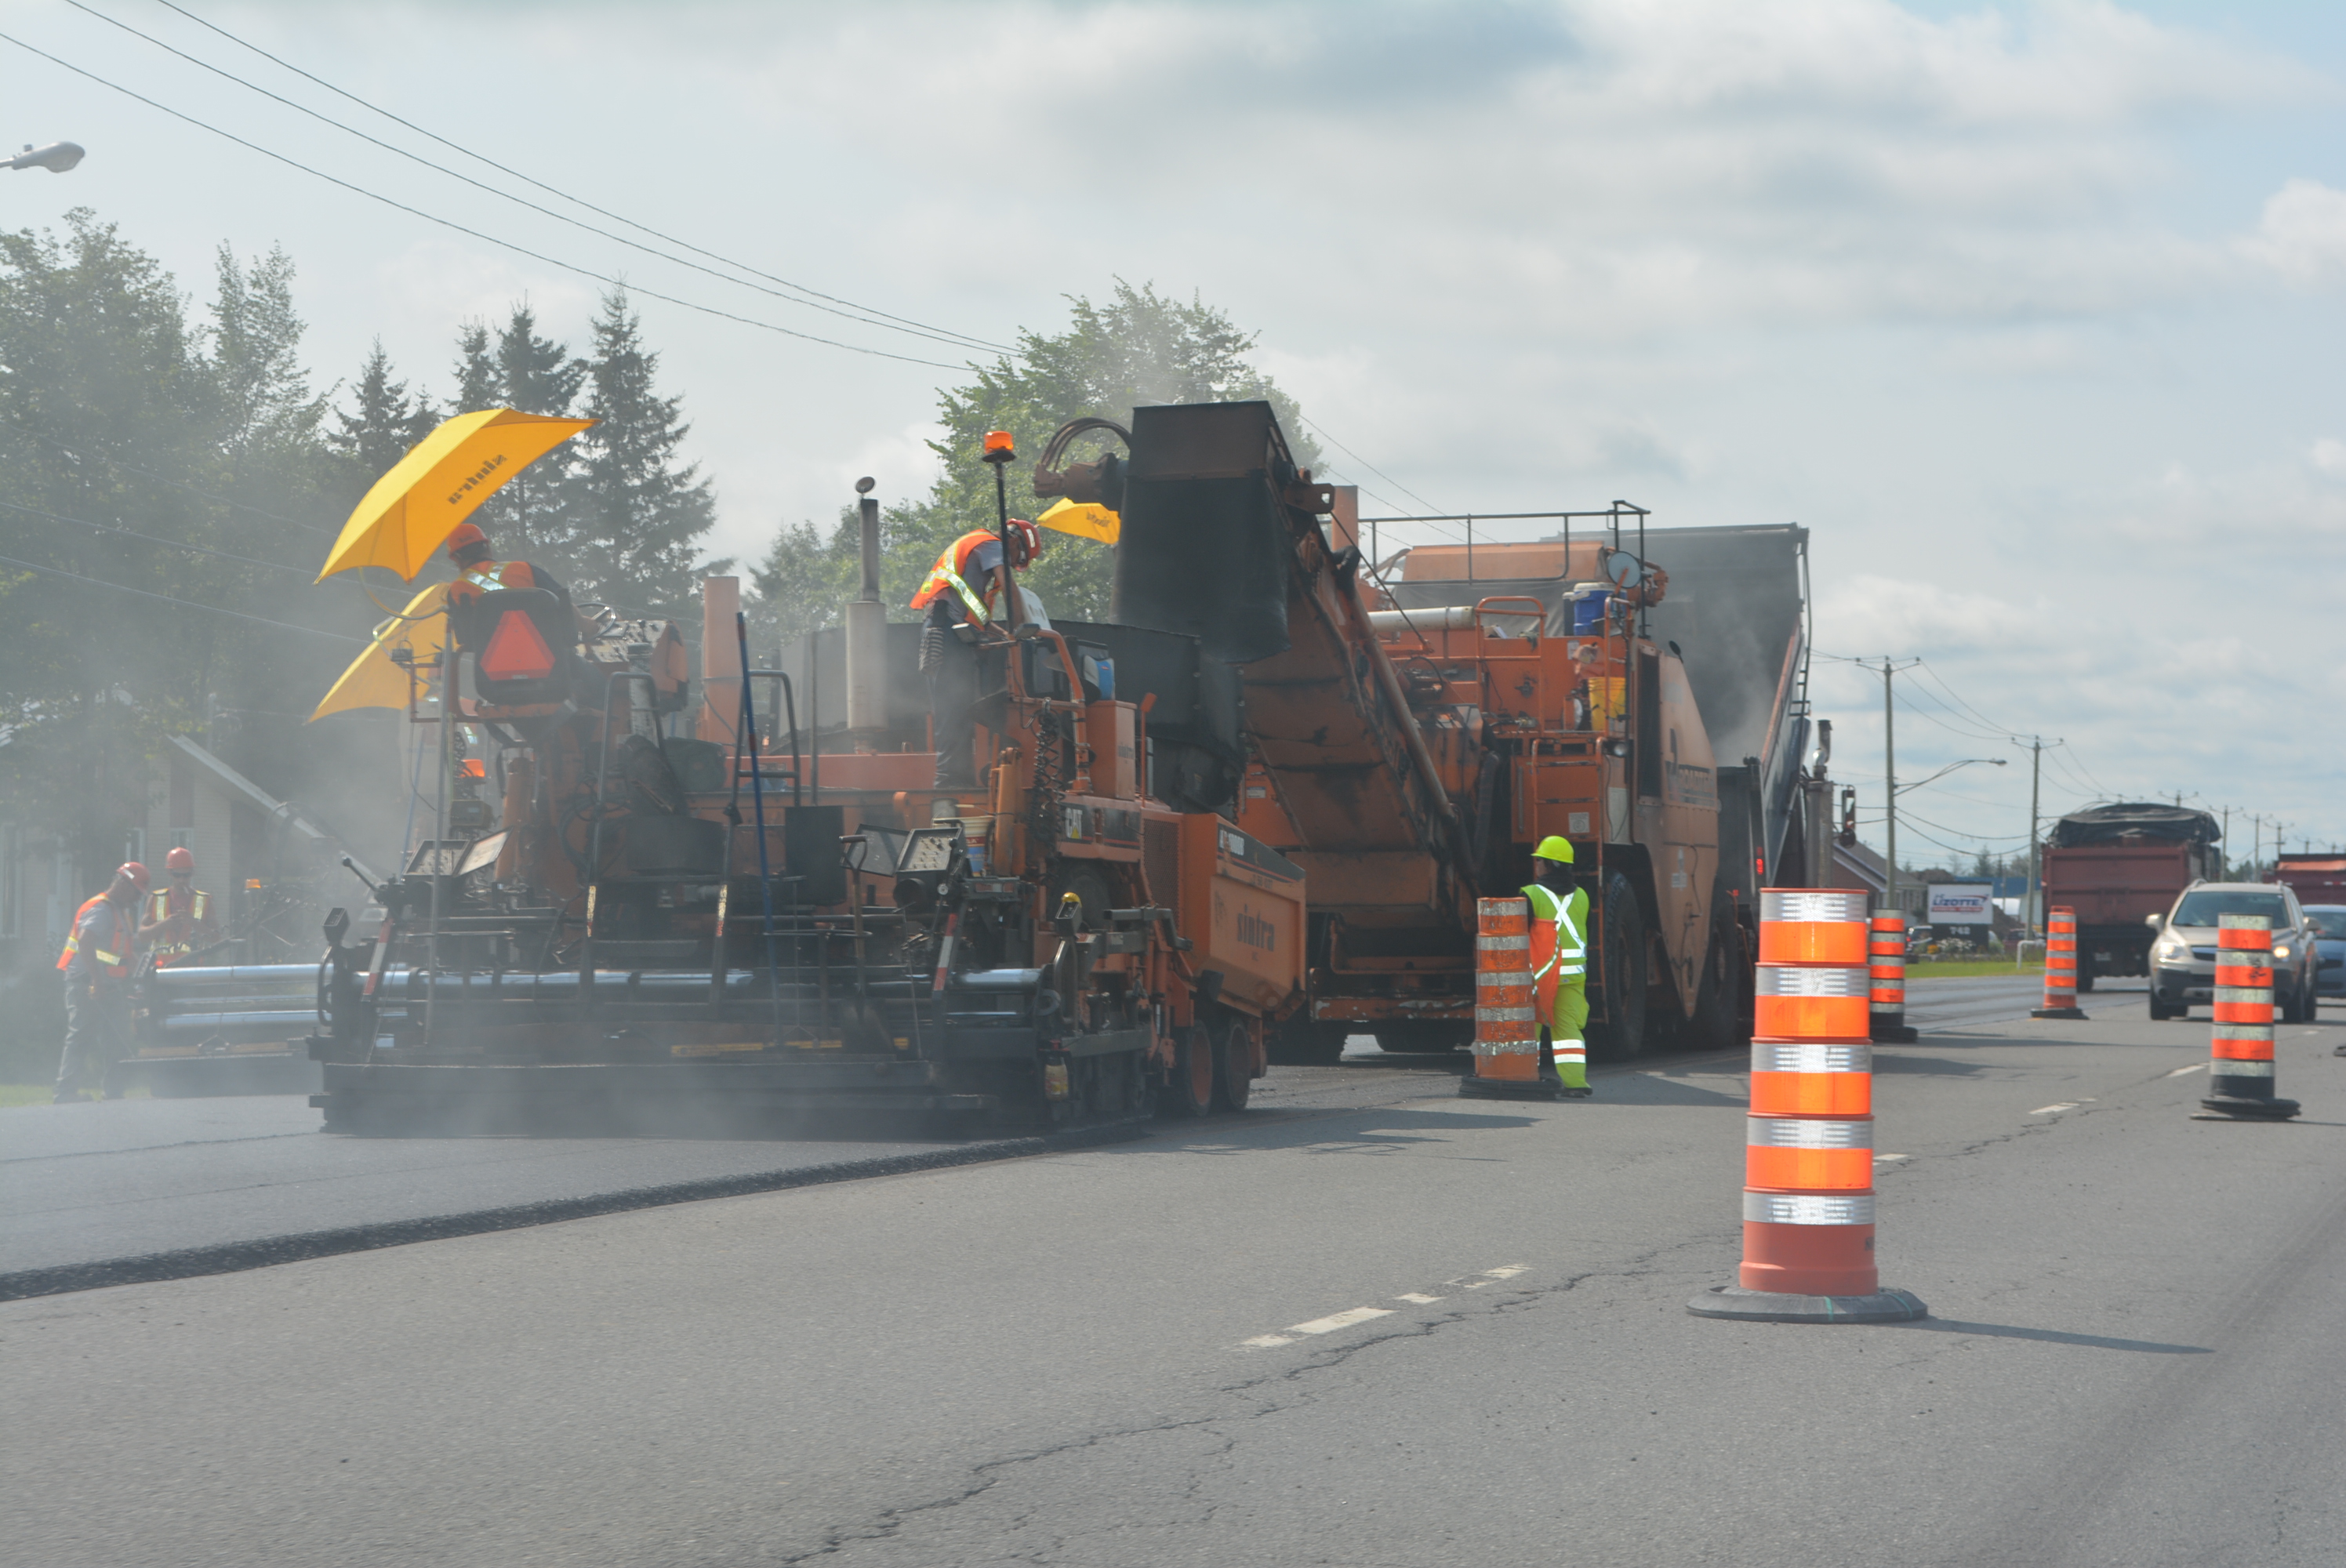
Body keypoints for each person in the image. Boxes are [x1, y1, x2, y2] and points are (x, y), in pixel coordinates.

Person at [910, 520, 1046, 789]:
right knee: (952, 710)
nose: (1011, 563)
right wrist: (1017, 630)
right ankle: (949, 785)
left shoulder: (973, 549)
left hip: (948, 629)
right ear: (1015, 540)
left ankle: (958, 780)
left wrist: (1001, 634)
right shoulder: (990, 544)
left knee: (957, 711)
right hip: (947, 632)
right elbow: (1010, 588)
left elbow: (977, 615)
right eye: (1017, 558)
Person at [55, 862, 149, 1102]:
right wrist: (97, 980)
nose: (138, 900)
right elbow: (86, 943)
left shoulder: (119, 913)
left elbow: (122, 956)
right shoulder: (100, 909)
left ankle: (114, 1092)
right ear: (124, 884)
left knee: (117, 1037)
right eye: (138, 893)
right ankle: (66, 1093)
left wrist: (150, 971)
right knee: (82, 1035)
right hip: (86, 983)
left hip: (108, 985)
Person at [1527, 836, 1592, 1098]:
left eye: (1540, 861)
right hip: (1573, 975)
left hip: (1541, 975)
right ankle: (1576, 1083)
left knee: (1531, 1026)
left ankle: (1525, 1075)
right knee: (1567, 1029)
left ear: (1549, 865)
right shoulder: (1583, 896)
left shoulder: (1531, 894)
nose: (1537, 865)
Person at [138, 846, 220, 968]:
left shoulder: (205, 900)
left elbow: (217, 937)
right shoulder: (156, 898)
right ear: (169, 873)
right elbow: (142, 936)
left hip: (192, 972)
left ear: (192, 873)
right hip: (161, 971)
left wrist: (194, 923)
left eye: (186, 875)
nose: (182, 880)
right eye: (177, 875)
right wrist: (164, 924)